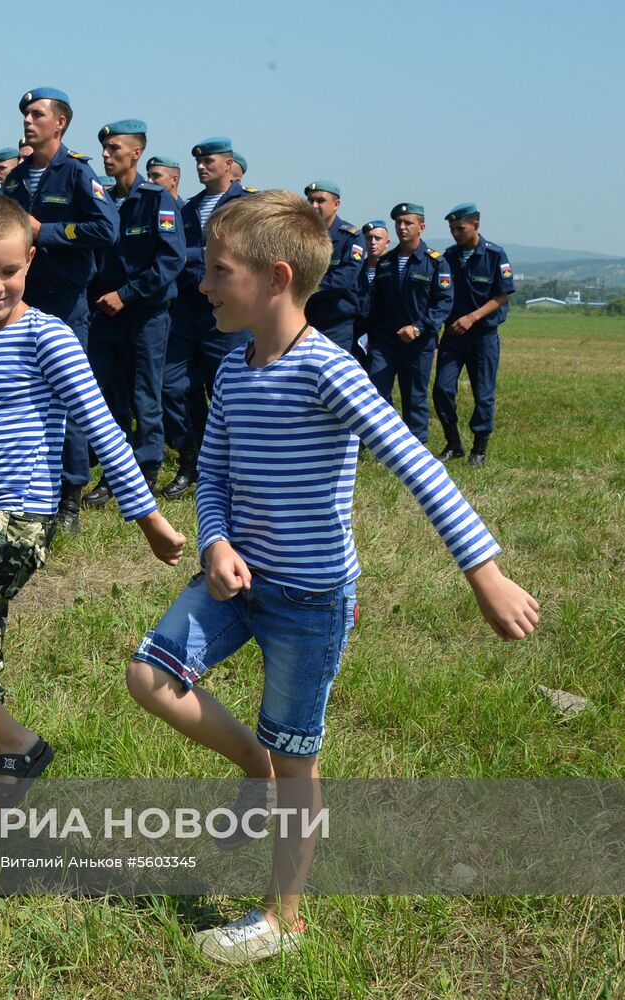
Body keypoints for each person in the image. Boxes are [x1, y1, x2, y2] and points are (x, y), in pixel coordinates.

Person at [124, 190, 539, 964]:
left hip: (310, 601)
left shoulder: (330, 370)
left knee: (299, 757)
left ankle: (284, 918)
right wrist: (214, 541)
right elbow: (212, 473)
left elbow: (417, 466)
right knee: (150, 677)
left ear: (275, 278)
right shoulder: (238, 367)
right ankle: (254, 768)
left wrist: (486, 574)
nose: (204, 286)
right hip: (235, 582)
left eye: (219, 271)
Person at [0, 195, 184, 813]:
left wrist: (147, 516)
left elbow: (100, 427)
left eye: (10, 272)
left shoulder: (48, 337)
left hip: (18, 519)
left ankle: (18, 742)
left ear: (30, 263)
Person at [1, 87, 119, 533]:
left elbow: (107, 228)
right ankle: (27, 485)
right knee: (23, 394)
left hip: (65, 303)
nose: (27, 121)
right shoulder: (15, 178)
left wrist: (46, 232)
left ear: (60, 123)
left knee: (68, 398)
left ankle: (70, 496)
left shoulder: (75, 173)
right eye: (24, 114)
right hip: (19, 302)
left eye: (36, 114)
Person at [84, 119, 185, 506]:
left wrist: (126, 295)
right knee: (109, 398)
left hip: (146, 316)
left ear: (136, 153)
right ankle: (114, 473)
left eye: (115, 149)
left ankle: (143, 474)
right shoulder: (103, 199)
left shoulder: (157, 199)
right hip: (106, 316)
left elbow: (170, 261)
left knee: (146, 397)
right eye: (105, 150)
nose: (107, 156)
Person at [158, 136, 249, 500]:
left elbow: (234, 250)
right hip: (186, 310)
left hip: (225, 313)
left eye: (209, 161)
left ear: (228, 164)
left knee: (225, 390)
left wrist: (187, 256)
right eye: (197, 162)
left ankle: (231, 468)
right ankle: (189, 456)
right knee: (172, 386)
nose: (201, 167)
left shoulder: (246, 204)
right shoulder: (189, 206)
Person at [433, 203, 514, 466]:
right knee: (442, 389)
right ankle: (453, 443)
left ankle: (479, 448)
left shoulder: (494, 256)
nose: (455, 233)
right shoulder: (448, 257)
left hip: (483, 336)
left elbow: (501, 296)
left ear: (476, 225)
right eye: (452, 229)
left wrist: (472, 317)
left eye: (460, 228)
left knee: (483, 393)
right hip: (454, 336)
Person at [364, 202, 452, 445]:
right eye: (399, 223)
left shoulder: (436, 262)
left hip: (417, 342)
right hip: (385, 340)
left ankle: (415, 447)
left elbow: (444, 302)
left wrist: (419, 327)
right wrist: (371, 336)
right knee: (378, 391)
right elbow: (375, 304)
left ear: (421, 227)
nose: (402, 227)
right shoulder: (385, 262)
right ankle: (386, 443)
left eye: (408, 223)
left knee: (414, 398)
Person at [302, 180, 363, 353]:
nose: (314, 206)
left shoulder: (351, 237)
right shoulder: (300, 235)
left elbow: (346, 276)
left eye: (320, 201)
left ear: (336, 204)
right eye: (310, 201)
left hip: (335, 322)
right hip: (303, 319)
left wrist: (310, 287)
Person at [352, 219, 390, 366]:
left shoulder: (393, 270)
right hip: (358, 331)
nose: (373, 242)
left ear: (387, 242)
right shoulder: (356, 269)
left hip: (384, 332)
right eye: (368, 238)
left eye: (378, 238)